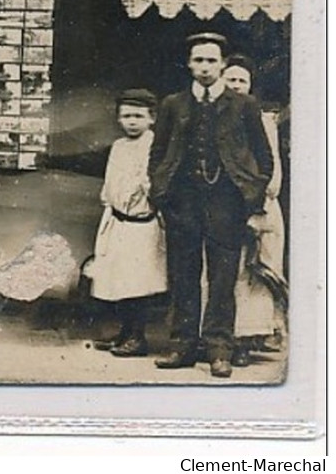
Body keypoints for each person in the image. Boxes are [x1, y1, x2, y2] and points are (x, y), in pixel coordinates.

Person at [148, 31, 275, 378]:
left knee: (222, 279)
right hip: (183, 202)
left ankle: (220, 350)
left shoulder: (243, 105)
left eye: (211, 60)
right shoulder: (174, 104)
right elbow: (158, 153)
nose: (204, 66)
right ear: (189, 64)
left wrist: (252, 196)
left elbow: (263, 158)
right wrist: (161, 193)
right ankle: (183, 346)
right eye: (198, 60)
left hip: (227, 203)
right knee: (184, 275)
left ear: (222, 64)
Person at [86, 89, 167, 357]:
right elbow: (111, 184)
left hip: (142, 224)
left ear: (151, 118)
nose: (132, 121)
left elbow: (154, 185)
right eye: (126, 116)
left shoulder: (154, 146)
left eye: (138, 116)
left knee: (137, 283)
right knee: (117, 279)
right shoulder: (119, 147)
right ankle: (125, 329)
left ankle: (137, 336)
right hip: (118, 221)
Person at [224, 56, 286, 365]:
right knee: (226, 273)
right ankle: (224, 337)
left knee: (254, 275)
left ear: (250, 87)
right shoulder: (216, 117)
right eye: (230, 80)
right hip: (225, 209)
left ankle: (248, 340)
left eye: (241, 81)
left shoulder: (263, 122)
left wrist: (256, 210)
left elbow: (271, 170)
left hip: (258, 209)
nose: (235, 86)